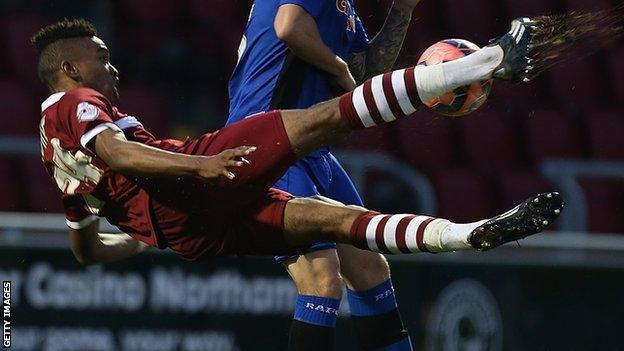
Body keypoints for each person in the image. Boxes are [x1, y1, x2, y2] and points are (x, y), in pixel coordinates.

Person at [33, 18, 562, 350]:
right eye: (102, 56)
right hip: (203, 174)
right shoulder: (72, 103)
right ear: (68, 67)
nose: (113, 65)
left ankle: (465, 235)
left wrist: (145, 236)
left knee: (341, 229)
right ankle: (490, 60)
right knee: (323, 122)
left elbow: (84, 250)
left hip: (188, 227)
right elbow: (117, 150)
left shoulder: (61, 158)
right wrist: (201, 168)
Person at [227, 1, 423, 349]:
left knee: (369, 269)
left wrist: (402, 10)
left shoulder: (343, 10)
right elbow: (288, 27)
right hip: (266, 145)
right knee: (321, 277)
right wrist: (338, 68)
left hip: (310, 149)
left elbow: (363, 77)